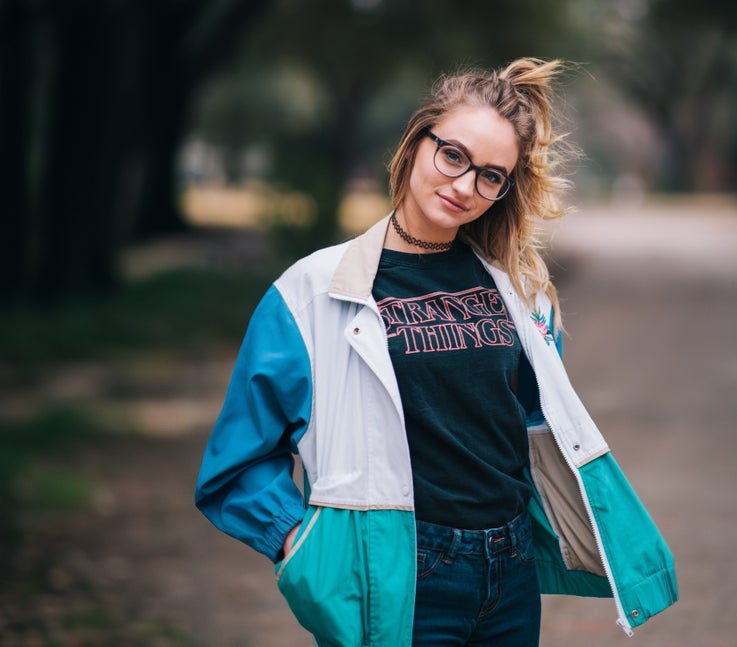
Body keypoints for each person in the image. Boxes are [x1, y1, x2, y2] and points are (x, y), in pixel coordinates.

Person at [195, 57, 677, 646]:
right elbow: (237, 460)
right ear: (417, 141)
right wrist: (296, 540)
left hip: (510, 572)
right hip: (403, 574)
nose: (464, 186)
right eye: (453, 156)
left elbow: (532, 434)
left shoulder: (518, 291)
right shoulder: (311, 293)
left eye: (491, 176)